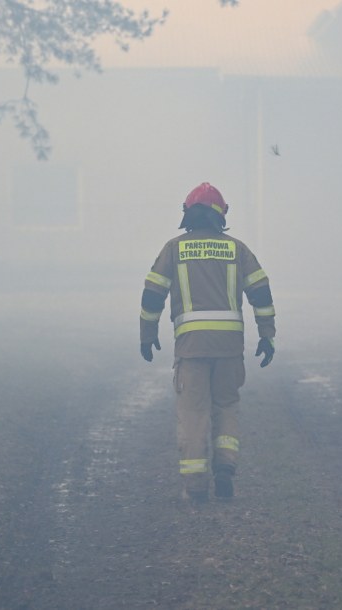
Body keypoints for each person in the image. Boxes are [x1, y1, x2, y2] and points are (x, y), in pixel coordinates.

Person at [139, 182, 276, 504]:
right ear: (220, 216)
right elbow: (261, 293)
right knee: (226, 405)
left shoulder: (174, 249)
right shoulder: (237, 249)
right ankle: (225, 468)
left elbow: (152, 294)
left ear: (187, 215)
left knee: (194, 412)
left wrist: (147, 335)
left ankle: (197, 486)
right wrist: (267, 334)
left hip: (191, 347)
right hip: (229, 347)